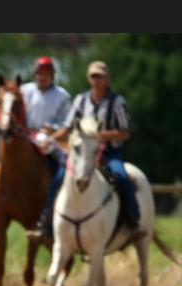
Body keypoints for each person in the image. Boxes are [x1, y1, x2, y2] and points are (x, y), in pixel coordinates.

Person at [27, 60, 144, 242]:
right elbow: (67, 127)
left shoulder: (117, 102)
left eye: (100, 76)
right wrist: (51, 139)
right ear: (89, 79)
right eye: (93, 76)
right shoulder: (81, 100)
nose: (96, 80)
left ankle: (135, 222)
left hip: (108, 152)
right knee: (58, 178)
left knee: (120, 175)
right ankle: (45, 223)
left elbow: (125, 132)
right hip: (82, 155)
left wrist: (101, 135)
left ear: (107, 79)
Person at [20, 56, 71, 181]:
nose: (43, 78)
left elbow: (67, 122)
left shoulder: (62, 95)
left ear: (52, 76)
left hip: (50, 138)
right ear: (35, 75)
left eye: (46, 75)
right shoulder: (24, 91)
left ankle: (56, 187)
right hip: (25, 136)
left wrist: (53, 128)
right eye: (40, 74)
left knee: (62, 167)